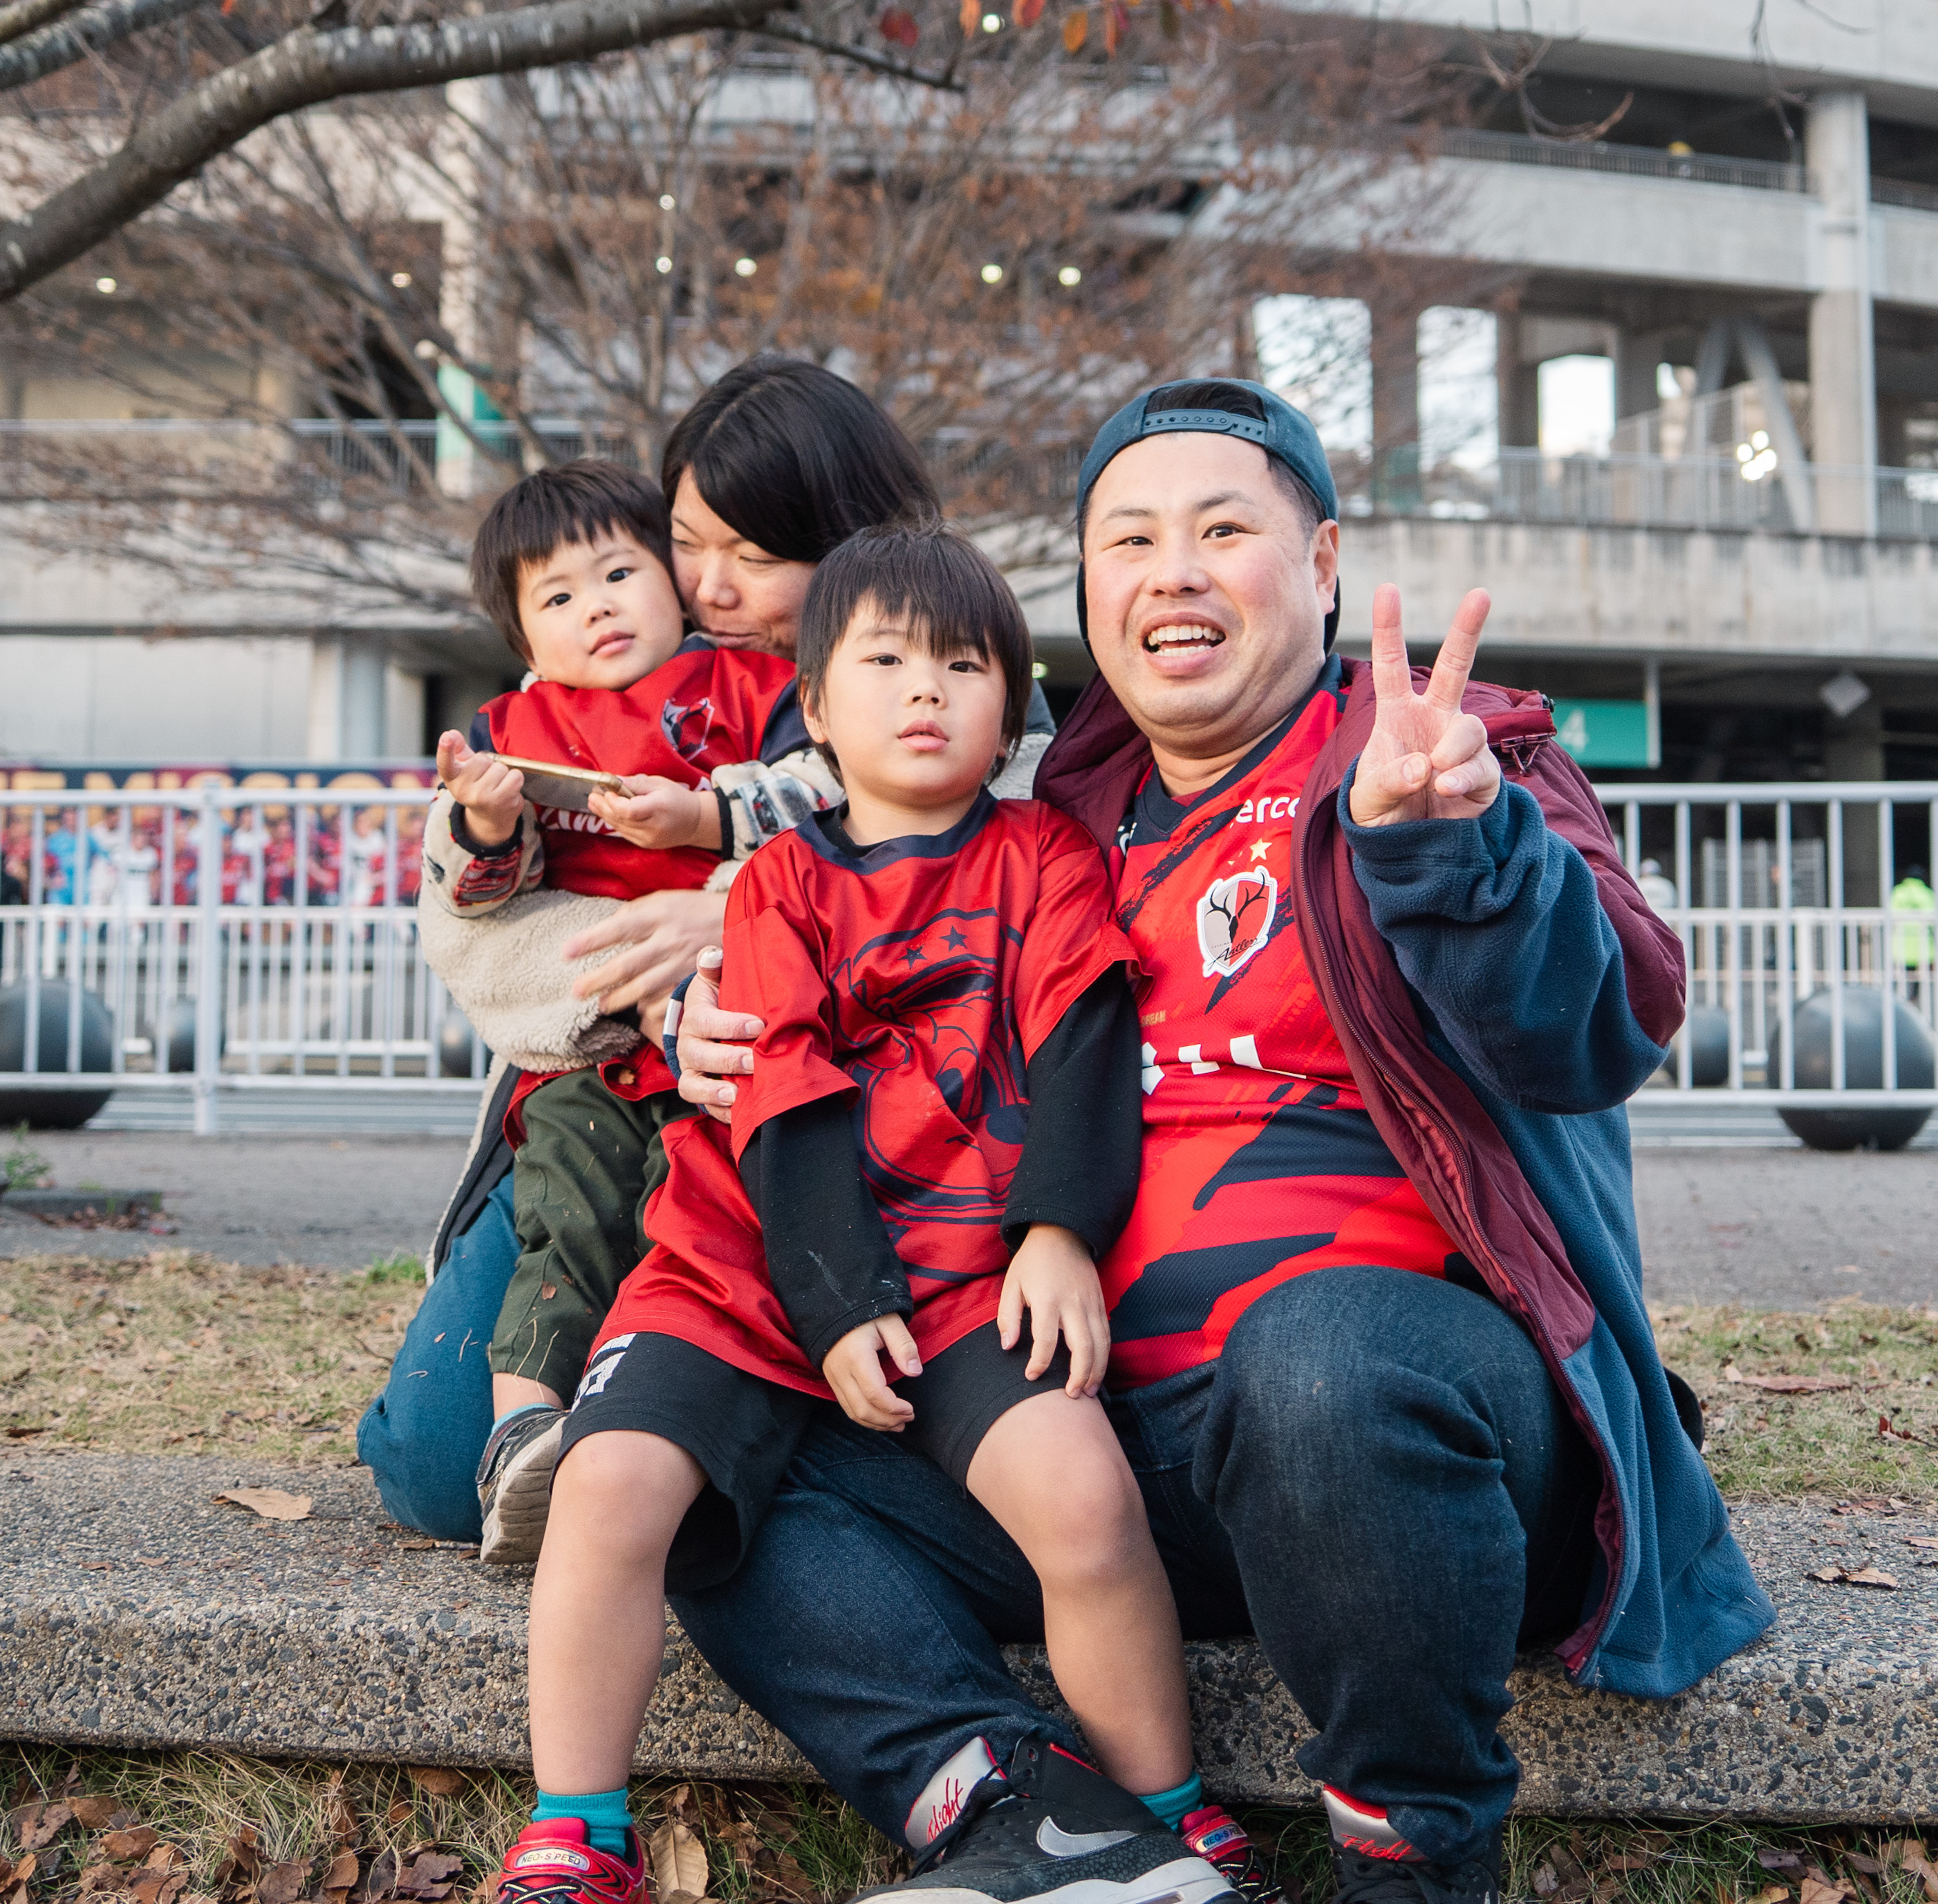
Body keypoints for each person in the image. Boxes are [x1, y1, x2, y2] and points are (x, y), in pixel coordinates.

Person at [664, 380, 1768, 1904]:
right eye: (1128, 538)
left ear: (1318, 563)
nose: (1170, 569)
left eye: (1221, 529)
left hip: (1405, 1443)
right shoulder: (1056, 826)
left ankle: (1419, 1862)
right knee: (712, 1476)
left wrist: (1452, 851)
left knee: (1318, 1364)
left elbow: (1597, 1024)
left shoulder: (1436, 759)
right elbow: (858, 989)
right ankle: (1045, 1830)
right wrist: (701, 1027)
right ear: (1091, 595)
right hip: (1109, 1443)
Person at [489, 525, 1229, 1904]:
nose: (927, 689)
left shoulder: (1044, 858)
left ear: (1013, 703)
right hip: (743, 1266)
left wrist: (1058, 1235)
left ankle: (1164, 1819)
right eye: (884, 660)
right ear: (813, 705)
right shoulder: (775, 883)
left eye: (964, 662)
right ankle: (577, 1828)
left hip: (966, 1272)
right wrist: (835, 1308)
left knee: (1083, 1499)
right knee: (608, 1484)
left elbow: (1080, 1049)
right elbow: (787, 1101)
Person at [360, 359, 976, 1542]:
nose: (710, 583)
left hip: (820, 1118)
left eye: (754, 554)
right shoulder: (614, 678)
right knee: (430, 1460)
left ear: (850, 543)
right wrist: (629, 964)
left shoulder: (945, 678)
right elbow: (471, 926)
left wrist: (738, 910)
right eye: (688, 540)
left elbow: (938, 868)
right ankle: (548, 1431)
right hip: (604, 1069)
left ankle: (667, 1452)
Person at [425, 460, 800, 1567]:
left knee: (687, 1229)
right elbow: (482, 894)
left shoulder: (737, 685)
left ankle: (639, 1430)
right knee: (567, 1217)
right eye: (557, 596)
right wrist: (486, 829)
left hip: (723, 1034)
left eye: (619, 571)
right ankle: (518, 1436)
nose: (596, 605)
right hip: (588, 1061)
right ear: (521, 638)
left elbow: (813, 811)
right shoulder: (513, 730)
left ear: (671, 580)